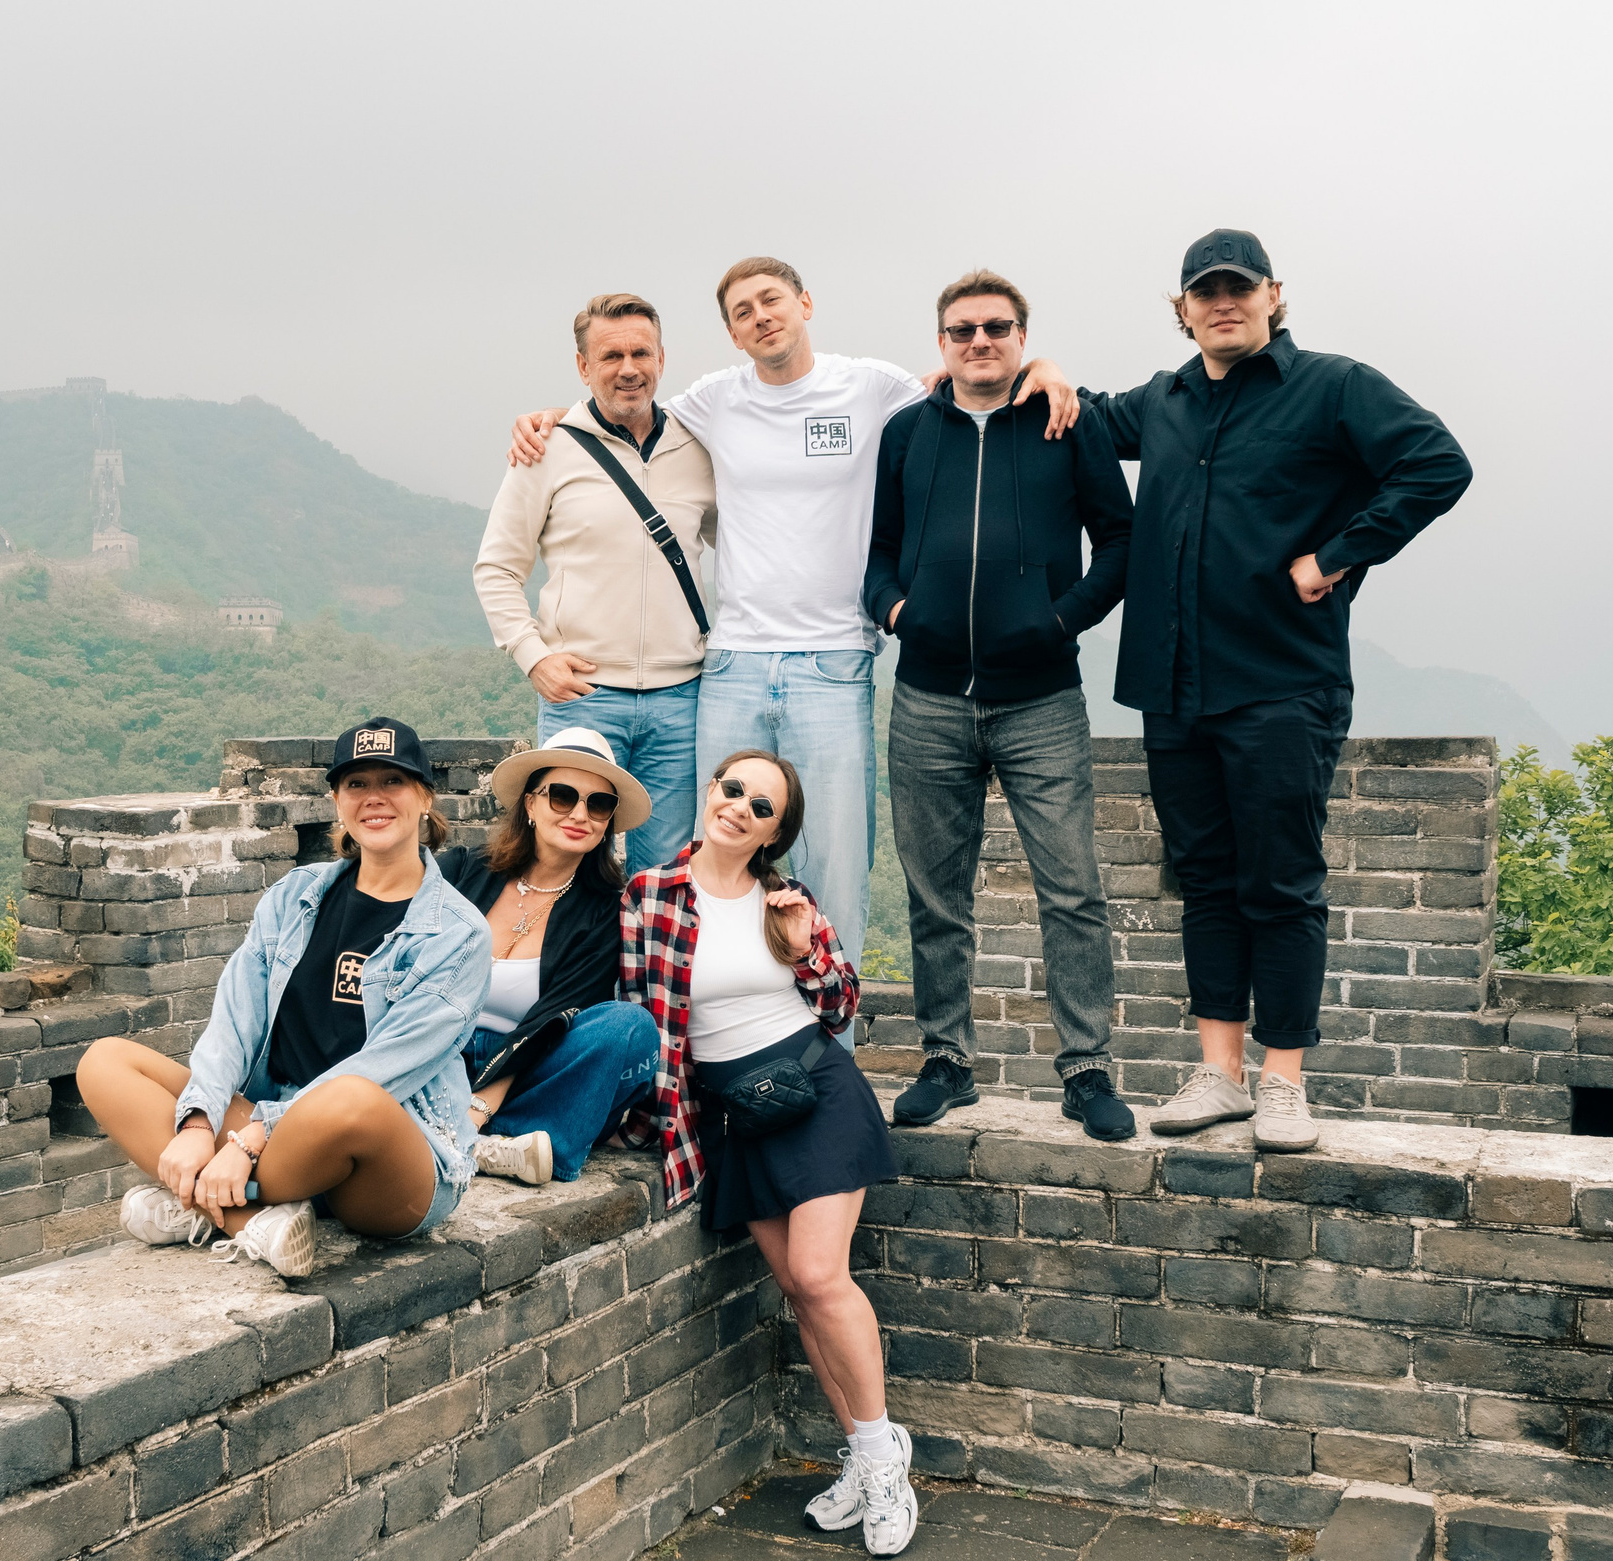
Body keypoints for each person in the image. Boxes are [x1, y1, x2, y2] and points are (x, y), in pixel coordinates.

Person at [516, 258, 1080, 962]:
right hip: (731, 665)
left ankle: (828, 1051)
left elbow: (972, 379)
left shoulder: (871, 387)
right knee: (711, 860)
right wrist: (547, 419)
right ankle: (712, 1039)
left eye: (772, 300)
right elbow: (622, 409)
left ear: (805, 302)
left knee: (832, 864)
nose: (761, 315)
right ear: (730, 332)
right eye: (743, 310)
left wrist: (1047, 367)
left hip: (833, 660)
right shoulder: (713, 400)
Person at [1051, 230, 1473, 1153]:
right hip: (1173, 684)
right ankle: (1221, 1072)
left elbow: (1439, 462)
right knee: (1205, 881)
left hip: (1284, 679)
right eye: (1204, 292)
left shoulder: (1334, 386)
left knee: (1279, 883)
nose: (1222, 302)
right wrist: (1038, 368)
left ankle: (1284, 1081)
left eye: (1238, 288)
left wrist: (1339, 555)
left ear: (1274, 295)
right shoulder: (1158, 403)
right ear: (1183, 308)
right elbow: (1076, 417)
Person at [863, 269, 1139, 1141]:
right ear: (941, 343)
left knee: (1073, 890)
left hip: (1042, 698)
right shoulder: (908, 432)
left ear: (1022, 336)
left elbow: (1122, 540)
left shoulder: (1068, 422)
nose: (979, 341)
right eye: (962, 330)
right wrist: (898, 611)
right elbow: (875, 552)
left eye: (995, 328)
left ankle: (1088, 1069)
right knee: (934, 892)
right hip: (929, 698)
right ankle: (946, 1061)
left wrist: (1061, 619)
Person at [618, 748, 913, 1556]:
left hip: (817, 1094)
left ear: (775, 830)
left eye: (762, 804)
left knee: (822, 1274)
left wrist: (804, 941)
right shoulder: (648, 896)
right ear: (710, 792)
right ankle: (859, 1450)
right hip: (735, 1116)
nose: (740, 806)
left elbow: (842, 1000)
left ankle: (886, 1458)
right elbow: (642, 1014)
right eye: (733, 788)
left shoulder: (784, 898)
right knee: (796, 1288)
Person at [75, 717, 490, 1274]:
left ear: (423, 797)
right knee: (104, 1061)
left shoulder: (458, 935)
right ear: (337, 801)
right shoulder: (295, 897)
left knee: (352, 1097)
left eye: (392, 781)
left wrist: (251, 1138)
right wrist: (199, 1122)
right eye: (356, 784)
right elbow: (235, 1021)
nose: (375, 799)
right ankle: (250, 1219)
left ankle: (201, 1201)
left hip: (387, 1159)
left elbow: (385, 1069)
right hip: (275, 1129)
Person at [473, 293, 716, 872]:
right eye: (610, 356)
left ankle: (646, 970)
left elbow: (745, 542)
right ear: (583, 366)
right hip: (583, 698)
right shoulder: (546, 448)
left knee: (664, 876)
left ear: (662, 358)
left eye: (641, 353)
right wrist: (533, 657)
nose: (628, 368)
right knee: (566, 866)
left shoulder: (702, 446)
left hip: (683, 699)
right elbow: (498, 567)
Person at [436, 727, 662, 1185]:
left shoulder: (605, 909)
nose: (581, 813)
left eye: (598, 804)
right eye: (562, 795)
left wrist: (478, 1108)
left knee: (629, 1029)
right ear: (531, 804)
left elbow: (551, 1023)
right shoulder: (462, 870)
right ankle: (504, 1143)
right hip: (439, 1051)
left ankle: (483, 1138)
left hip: (527, 1069)